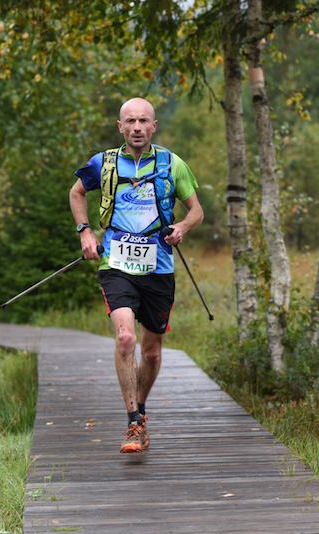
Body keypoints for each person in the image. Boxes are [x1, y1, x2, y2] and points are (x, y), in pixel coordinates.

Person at [69, 97, 203, 453]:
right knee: (125, 338)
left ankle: (141, 410)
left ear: (154, 126)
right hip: (116, 264)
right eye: (130, 121)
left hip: (158, 266)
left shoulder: (172, 164)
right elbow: (76, 192)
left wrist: (182, 228)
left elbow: (197, 211)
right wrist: (85, 231)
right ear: (120, 127)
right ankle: (133, 423)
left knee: (153, 352)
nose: (137, 127)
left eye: (144, 121)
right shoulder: (104, 163)